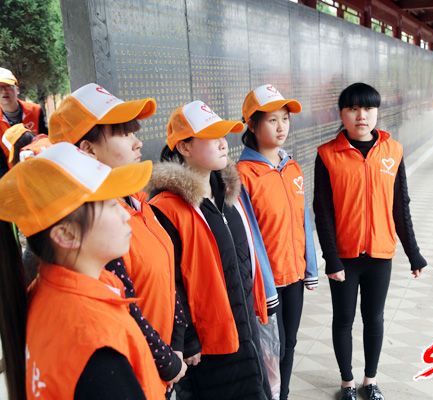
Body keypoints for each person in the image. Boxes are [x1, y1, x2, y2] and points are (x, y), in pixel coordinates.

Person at [48, 83, 187, 393]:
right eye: (124, 134)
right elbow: (124, 306)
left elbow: (169, 276)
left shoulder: (138, 201)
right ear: (88, 150)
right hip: (138, 373)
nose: (138, 143)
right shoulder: (94, 229)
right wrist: (166, 360)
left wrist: (177, 342)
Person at [0, 142, 164, 399]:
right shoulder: (93, 339)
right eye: (110, 204)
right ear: (66, 234)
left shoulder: (49, 295)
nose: (125, 215)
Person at [148, 100, 278, 400]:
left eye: (223, 135)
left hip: (245, 330)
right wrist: (187, 339)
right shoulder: (166, 209)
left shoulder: (228, 198)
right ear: (184, 147)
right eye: (211, 136)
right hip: (209, 346)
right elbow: (172, 284)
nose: (223, 143)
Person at [313, 82, 427, 400]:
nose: (361, 115)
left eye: (368, 108)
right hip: (344, 258)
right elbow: (322, 211)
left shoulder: (393, 151)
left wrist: (413, 252)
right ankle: (347, 383)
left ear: (377, 112)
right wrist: (331, 258)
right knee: (343, 320)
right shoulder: (327, 155)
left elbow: (400, 206)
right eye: (353, 109)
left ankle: (370, 381)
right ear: (342, 114)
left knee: (374, 318)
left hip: (380, 255)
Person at [238, 84, 319, 399]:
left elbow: (304, 218)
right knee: (272, 348)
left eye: (285, 119)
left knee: (290, 343)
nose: (281, 126)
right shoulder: (243, 175)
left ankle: (282, 394)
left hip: (293, 275)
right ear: (252, 125)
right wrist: (263, 284)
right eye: (272, 120)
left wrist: (310, 268)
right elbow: (248, 236)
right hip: (266, 283)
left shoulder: (292, 167)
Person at [0, 67, 47, 176]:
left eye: (9, 86)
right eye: (0, 87)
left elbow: (46, 139)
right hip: (11, 175)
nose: (4, 91)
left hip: (40, 169)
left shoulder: (35, 110)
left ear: (17, 89)